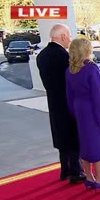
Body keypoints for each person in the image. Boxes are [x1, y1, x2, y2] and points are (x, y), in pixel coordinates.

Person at [36, 24, 85, 184]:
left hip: (53, 102)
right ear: (63, 36)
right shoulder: (65, 56)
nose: (70, 39)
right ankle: (75, 172)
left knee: (61, 136)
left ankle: (64, 170)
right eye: (69, 35)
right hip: (69, 102)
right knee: (72, 137)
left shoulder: (41, 55)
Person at [65, 38, 100, 192]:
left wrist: (75, 111)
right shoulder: (91, 69)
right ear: (86, 50)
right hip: (92, 109)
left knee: (85, 144)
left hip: (79, 109)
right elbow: (99, 96)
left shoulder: (70, 70)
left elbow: (69, 95)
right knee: (96, 145)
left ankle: (89, 177)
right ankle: (99, 180)